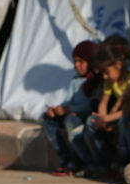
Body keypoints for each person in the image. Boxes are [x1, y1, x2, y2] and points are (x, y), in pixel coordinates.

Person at [40, 40, 100, 176]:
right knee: (46, 119)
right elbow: (69, 101)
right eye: (75, 62)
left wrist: (69, 110)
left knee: (70, 121)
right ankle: (66, 158)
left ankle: (86, 162)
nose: (77, 65)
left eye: (81, 61)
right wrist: (56, 110)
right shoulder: (75, 80)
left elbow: (90, 105)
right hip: (72, 114)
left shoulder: (94, 80)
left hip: (83, 116)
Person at [82, 41, 130, 177]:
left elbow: (129, 110)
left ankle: (125, 164)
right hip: (114, 117)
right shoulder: (109, 82)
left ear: (118, 65)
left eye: (107, 72)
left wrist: (106, 119)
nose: (105, 77)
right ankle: (103, 165)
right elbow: (103, 103)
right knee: (91, 122)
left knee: (124, 123)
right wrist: (102, 119)